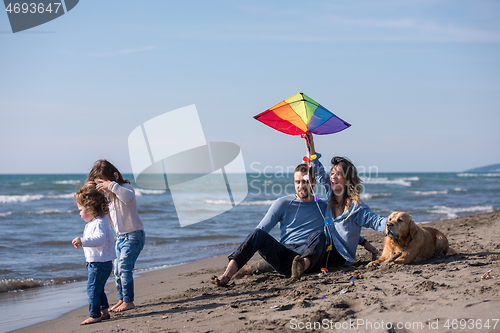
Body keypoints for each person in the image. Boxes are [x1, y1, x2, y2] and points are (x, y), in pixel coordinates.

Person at [212, 163, 328, 286]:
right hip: (285, 254)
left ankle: (301, 267)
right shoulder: (283, 203)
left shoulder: (324, 206)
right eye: (297, 182)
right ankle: (226, 275)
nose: (301, 186)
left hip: (310, 255)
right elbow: (261, 229)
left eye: (305, 182)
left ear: (314, 183)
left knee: (319, 236)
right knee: (257, 234)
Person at [305, 132, 386, 267]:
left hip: (340, 258)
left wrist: (391, 224)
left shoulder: (357, 208)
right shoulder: (330, 199)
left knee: (317, 238)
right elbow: (318, 170)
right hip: (326, 252)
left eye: (338, 174)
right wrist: (310, 143)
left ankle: (300, 263)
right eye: (332, 173)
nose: (333, 177)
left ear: (348, 180)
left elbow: (375, 221)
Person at [87, 160, 145, 312]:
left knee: (125, 268)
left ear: (115, 176)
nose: (102, 186)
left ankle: (129, 301)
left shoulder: (125, 188)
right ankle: (122, 299)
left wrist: (111, 186)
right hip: (120, 238)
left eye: (102, 182)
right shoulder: (108, 198)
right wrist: (93, 192)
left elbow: (128, 198)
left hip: (134, 236)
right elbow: (104, 215)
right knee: (117, 270)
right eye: (98, 184)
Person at [72, 185, 116, 325]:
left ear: (90, 209)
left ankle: (94, 315)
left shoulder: (99, 222)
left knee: (92, 289)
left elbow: (100, 239)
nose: (79, 213)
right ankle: (103, 311)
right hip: (97, 262)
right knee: (98, 288)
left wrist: (82, 241)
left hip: (99, 263)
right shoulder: (96, 221)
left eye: (80, 210)